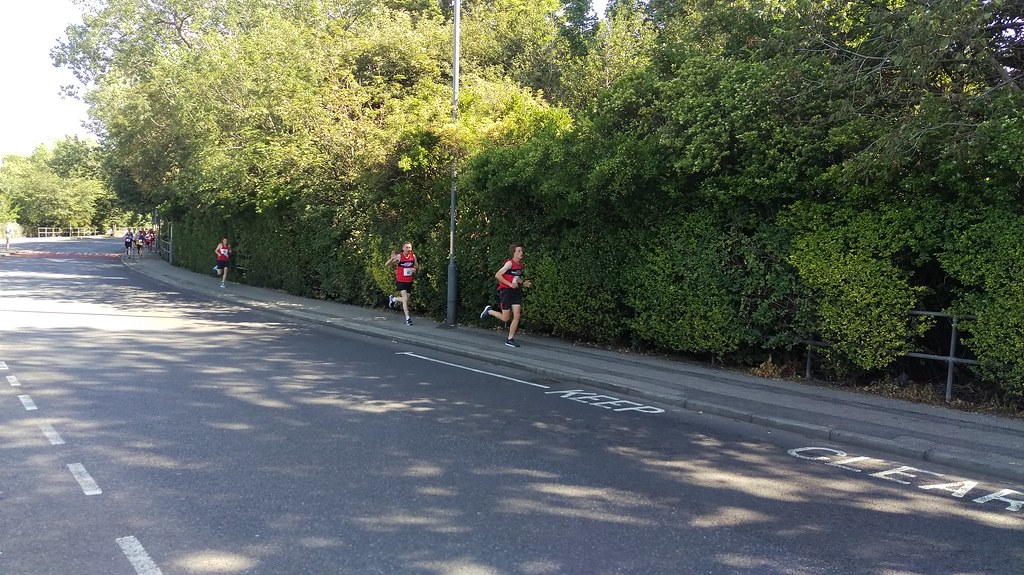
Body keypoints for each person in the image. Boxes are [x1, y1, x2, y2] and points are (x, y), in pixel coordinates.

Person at [480, 242, 533, 347]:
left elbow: (516, 277)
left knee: (517, 315)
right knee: (505, 318)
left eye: (522, 251)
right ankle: (489, 311)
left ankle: (510, 339)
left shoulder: (520, 265)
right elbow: (498, 275)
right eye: (519, 251)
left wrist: (523, 282)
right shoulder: (509, 263)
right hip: (506, 291)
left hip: (515, 292)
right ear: (514, 253)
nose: (521, 253)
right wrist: (510, 284)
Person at [385, 241, 418, 326]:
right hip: (401, 280)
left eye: (409, 247)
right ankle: (408, 318)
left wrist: (414, 269)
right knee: (405, 298)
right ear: (403, 248)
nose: (408, 249)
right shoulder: (400, 257)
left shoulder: (413, 256)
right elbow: (387, 264)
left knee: (406, 300)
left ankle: (394, 299)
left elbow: (416, 267)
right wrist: (392, 259)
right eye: (406, 247)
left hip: (409, 281)